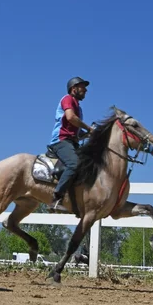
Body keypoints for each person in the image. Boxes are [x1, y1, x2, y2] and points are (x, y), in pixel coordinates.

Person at [47, 76, 93, 212]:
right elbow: (71, 117)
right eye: (82, 87)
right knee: (74, 164)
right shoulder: (67, 99)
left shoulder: (78, 107)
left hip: (71, 142)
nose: (85, 90)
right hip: (61, 141)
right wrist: (89, 128)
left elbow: (75, 131)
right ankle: (56, 198)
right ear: (74, 89)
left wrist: (87, 134)